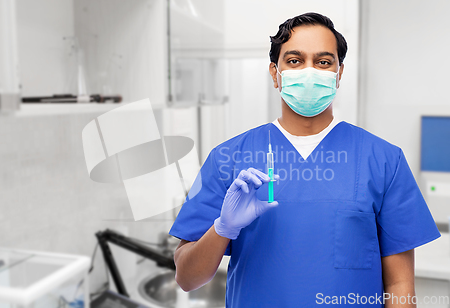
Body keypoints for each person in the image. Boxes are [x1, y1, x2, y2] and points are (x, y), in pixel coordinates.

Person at [169, 12, 440, 307]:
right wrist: (223, 228)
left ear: (339, 73)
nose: (309, 71)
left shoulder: (384, 160)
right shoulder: (228, 158)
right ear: (275, 73)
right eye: (295, 61)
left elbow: (399, 284)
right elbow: (187, 278)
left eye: (323, 62)